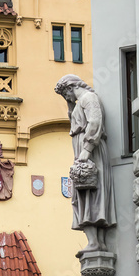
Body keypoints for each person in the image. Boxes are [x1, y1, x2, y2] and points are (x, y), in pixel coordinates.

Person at [54, 74, 115, 252]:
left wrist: (86, 150)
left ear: (70, 88)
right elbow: (75, 119)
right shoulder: (80, 103)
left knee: (89, 193)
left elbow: (94, 121)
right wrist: (71, 104)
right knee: (87, 193)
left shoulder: (89, 98)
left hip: (89, 151)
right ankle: (97, 241)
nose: (66, 99)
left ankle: (95, 242)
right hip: (84, 150)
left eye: (65, 94)